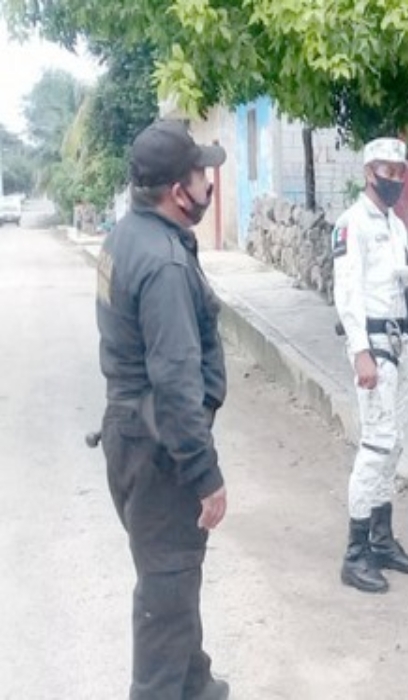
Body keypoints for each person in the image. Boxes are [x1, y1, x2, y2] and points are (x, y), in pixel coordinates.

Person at [95, 119, 230, 700]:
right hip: (160, 453)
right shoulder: (164, 264)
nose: (210, 184)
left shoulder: (126, 235)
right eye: (203, 174)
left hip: (131, 438)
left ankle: (193, 683)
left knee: (172, 579)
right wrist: (206, 476)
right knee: (167, 590)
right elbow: (176, 386)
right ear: (180, 190)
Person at [332, 138, 408, 593]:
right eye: (389, 171)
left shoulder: (395, 225)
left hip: (400, 339)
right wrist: (360, 352)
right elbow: (346, 291)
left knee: (395, 443)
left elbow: (397, 281)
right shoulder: (353, 224)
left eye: (400, 171)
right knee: (375, 444)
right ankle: (356, 550)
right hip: (372, 342)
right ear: (370, 172)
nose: (396, 179)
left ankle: (383, 538)